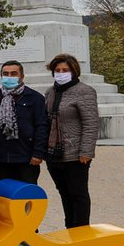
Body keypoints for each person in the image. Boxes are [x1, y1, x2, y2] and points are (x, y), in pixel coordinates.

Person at [43, 53, 99, 228]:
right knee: (64, 193)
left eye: (65, 70)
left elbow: (91, 123)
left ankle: (81, 230)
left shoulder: (85, 91)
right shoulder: (50, 92)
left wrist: (86, 151)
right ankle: (70, 228)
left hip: (75, 154)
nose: (60, 73)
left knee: (78, 193)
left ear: (74, 71)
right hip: (54, 153)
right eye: (57, 70)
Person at [0, 60, 48, 184]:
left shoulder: (35, 98)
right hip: (2, 158)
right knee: (5, 196)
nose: (9, 77)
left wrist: (38, 153)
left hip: (26, 158)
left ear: (22, 76)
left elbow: (41, 126)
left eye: (14, 73)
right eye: (6, 74)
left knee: (26, 197)